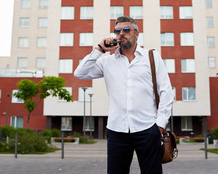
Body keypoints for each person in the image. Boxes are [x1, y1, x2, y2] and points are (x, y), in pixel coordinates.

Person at [74, 16, 174, 174]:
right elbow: (80, 73)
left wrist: (160, 125)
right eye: (117, 31)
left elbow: (166, 92)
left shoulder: (152, 58)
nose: (121, 33)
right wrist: (99, 49)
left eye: (126, 30)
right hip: (116, 130)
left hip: (148, 128)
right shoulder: (107, 62)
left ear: (136, 33)